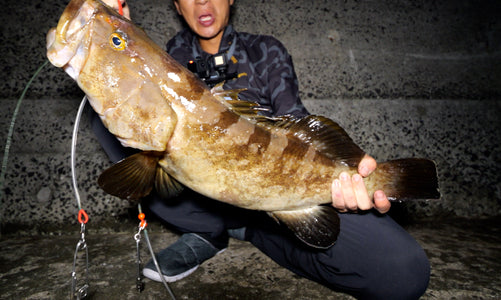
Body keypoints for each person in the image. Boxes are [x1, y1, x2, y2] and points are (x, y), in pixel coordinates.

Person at [95, 0, 430, 299]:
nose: (201, 1)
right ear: (176, 6)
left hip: (272, 205)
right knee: (111, 126)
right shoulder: (171, 55)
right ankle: (207, 233)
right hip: (200, 202)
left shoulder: (266, 50)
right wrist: (112, 17)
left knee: (403, 273)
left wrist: (347, 178)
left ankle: (256, 233)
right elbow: (127, 63)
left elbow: (298, 124)